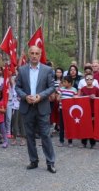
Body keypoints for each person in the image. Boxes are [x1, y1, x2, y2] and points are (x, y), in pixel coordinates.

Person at [15, 45, 58, 173]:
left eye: (36, 53)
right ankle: (33, 161)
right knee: (29, 136)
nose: (34, 56)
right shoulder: (22, 70)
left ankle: (50, 162)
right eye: (32, 53)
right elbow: (17, 88)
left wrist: (40, 96)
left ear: (40, 55)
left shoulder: (47, 70)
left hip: (42, 106)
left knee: (45, 135)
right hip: (27, 107)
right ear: (29, 54)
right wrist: (25, 96)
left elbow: (52, 87)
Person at [58, 75, 78, 147]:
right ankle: (61, 141)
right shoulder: (61, 89)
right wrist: (59, 98)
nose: (63, 83)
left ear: (70, 83)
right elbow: (58, 98)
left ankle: (70, 141)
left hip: (70, 111)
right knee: (62, 125)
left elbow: (75, 99)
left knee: (70, 125)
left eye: (65, 82)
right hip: (62, 109)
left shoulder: (74, 90)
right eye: (63, 82)